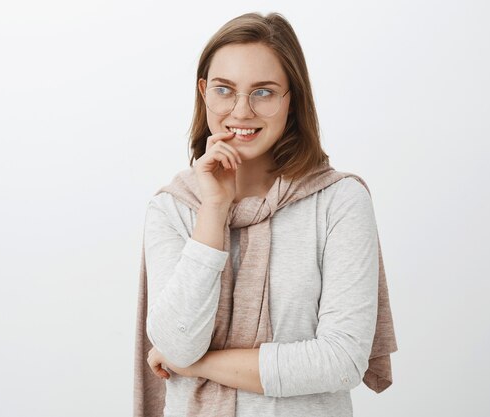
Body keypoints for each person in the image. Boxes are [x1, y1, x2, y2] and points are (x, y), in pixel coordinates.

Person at [133, 11, 398, 417]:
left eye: (264, 92)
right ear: (204, 92)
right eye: (224, 89)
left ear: (292, 101)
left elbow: (341, 360)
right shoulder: (173, 208)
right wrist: (214, 209)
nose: (241, 111)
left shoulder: (338, 201)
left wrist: (197, 366)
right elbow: (176, 342)